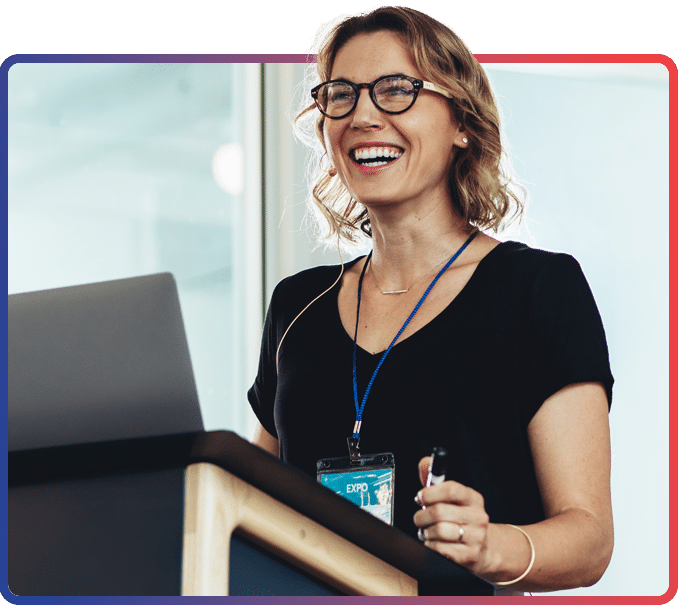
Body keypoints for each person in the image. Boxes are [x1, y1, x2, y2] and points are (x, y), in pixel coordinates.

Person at [248, 5, 614, 593]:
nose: (362, 114)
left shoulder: (540, 290)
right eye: (340, 94)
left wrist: (490, 545)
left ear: (461, 123)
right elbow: (251, 503)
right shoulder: (296, 306)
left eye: (396, 90)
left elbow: (590, 540)